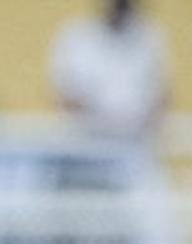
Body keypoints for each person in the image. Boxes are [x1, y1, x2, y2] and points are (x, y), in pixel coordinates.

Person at [47, 0, 167, 141]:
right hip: (84, 140)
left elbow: (163, 95)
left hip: (136, 141)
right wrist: (103, 124)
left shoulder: (149, 36)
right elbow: (63, 94)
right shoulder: (77, 36)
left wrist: (134, 125)